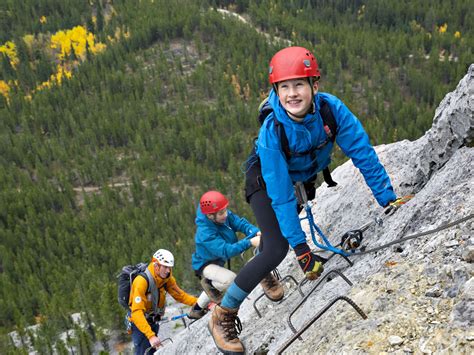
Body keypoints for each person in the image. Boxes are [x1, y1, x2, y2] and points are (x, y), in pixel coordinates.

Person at [208, 46, 405, 354]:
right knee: (277, 247)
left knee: (273, 241)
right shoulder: (272, 131)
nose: (292, 93)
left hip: (301, 176)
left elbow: (363, 154)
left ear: (315, 85)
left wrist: (388, 199)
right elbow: (281, 195)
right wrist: (301, 250)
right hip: (265, 180)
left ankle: (263, 266)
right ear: (276, 90)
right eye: (284, 87)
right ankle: (223, 314)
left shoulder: (331, 110)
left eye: (299, 84)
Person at [188, 190, 284, 320]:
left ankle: (196, 310)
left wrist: (256, 232)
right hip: (205, 264)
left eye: (225, 210)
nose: (226, 214)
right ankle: (209, 283)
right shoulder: (204, 233)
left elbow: (240, 223)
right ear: (210, 216)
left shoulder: (221, 216)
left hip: (218, 259)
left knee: (221, 279)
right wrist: (249, 241)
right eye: (221, 213)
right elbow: (227, 250)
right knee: (230, 280)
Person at [128, 249, 198, 354]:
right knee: (144, 352)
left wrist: (201, 303)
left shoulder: (166, 279)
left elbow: (181, 296)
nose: (168, 271)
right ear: (156, 266)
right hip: (139, 324)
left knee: (151, 351)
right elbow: (137, 312)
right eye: (165, 267)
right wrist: (150, 335)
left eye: (169, 268)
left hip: (153, 320)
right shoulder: (141, 281)